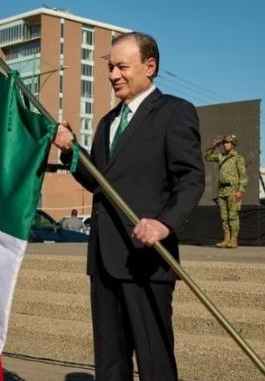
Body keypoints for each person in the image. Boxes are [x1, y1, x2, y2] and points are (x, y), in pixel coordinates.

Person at [53, 32, 205, 381]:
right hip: (105, 260)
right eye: (110, 67)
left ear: (150, 66)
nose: (113, 75)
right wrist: (69, 151)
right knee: (110, 362)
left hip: (146, 259)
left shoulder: (175, 112)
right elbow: (98, 182)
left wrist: (164, 224)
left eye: (122, 66)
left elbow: (191, 179)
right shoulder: (108, 122)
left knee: (154, 363)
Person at [203, 134, 247, 249]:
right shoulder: (221, 156)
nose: (225, 145)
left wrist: (240, 190)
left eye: (227, 143)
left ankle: (233, 240)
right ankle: (226, 239)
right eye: (224, 143)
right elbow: (207, 157)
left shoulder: (238, 158)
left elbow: (243, 176)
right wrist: (214, 147)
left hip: (233, 190)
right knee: (224, 217)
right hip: (222, 190)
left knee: (233, 216)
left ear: (233, 145)